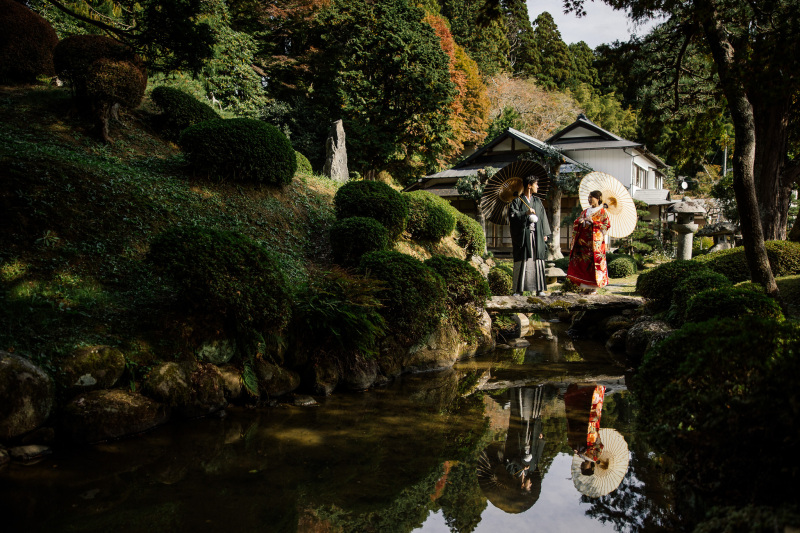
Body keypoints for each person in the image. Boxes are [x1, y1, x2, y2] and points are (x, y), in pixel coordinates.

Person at [508, 175, 552, 296]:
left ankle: (539, 289)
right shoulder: (517, 201)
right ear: (529, 185)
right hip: (523, 235)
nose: (538, 186)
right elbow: (512, 216)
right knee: (523, 261)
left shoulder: (537, 201)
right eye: (536, 184)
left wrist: (545, 233)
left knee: (537, 260)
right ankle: (518, 289)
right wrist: (525, 213)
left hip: (537, 235)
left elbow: (543, 218)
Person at [567, 189, 611, 295]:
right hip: (583, 243)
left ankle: (593, 288)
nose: (589, 199)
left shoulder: (602, 212)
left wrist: (594, 222)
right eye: (589, 197)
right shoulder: (585, 211)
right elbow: (576, 221)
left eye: (592, 197)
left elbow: (606, 226)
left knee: (594, 264)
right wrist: (581, 221)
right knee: (583, 264)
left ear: (598, 199)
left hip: (595, 245)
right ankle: (585, 287)